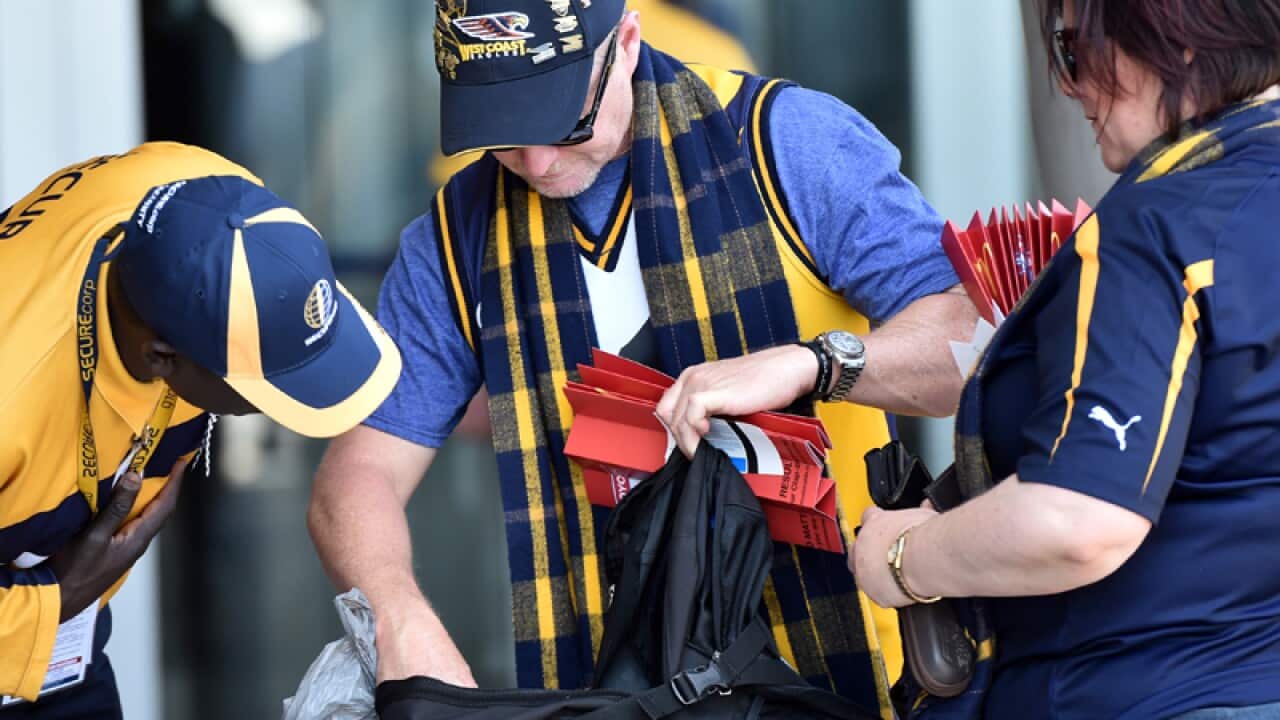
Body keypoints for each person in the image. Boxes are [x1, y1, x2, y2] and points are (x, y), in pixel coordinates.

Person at [308, 0, 976, 714]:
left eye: (563, 119)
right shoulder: (455, 238)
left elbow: (965, 351)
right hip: (612, 685)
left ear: (625, 42)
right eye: (502, 130)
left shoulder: (787, 144)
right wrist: (401, 619)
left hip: (855, 655)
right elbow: (358, 473)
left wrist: (812, 364)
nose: (536, 160)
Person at [683, 0, 1280, 717]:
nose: (1068, 84)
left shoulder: (1152, 230)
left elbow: (1076, 521)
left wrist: (905, 559)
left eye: (1075, 50)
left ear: (1180, 44)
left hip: (1128, 687)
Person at [0, 142, 402, 718]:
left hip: (62, 648)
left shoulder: (213, 198)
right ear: (162, 358)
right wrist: (51, 602)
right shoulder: (12, 391)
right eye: (260, 388)